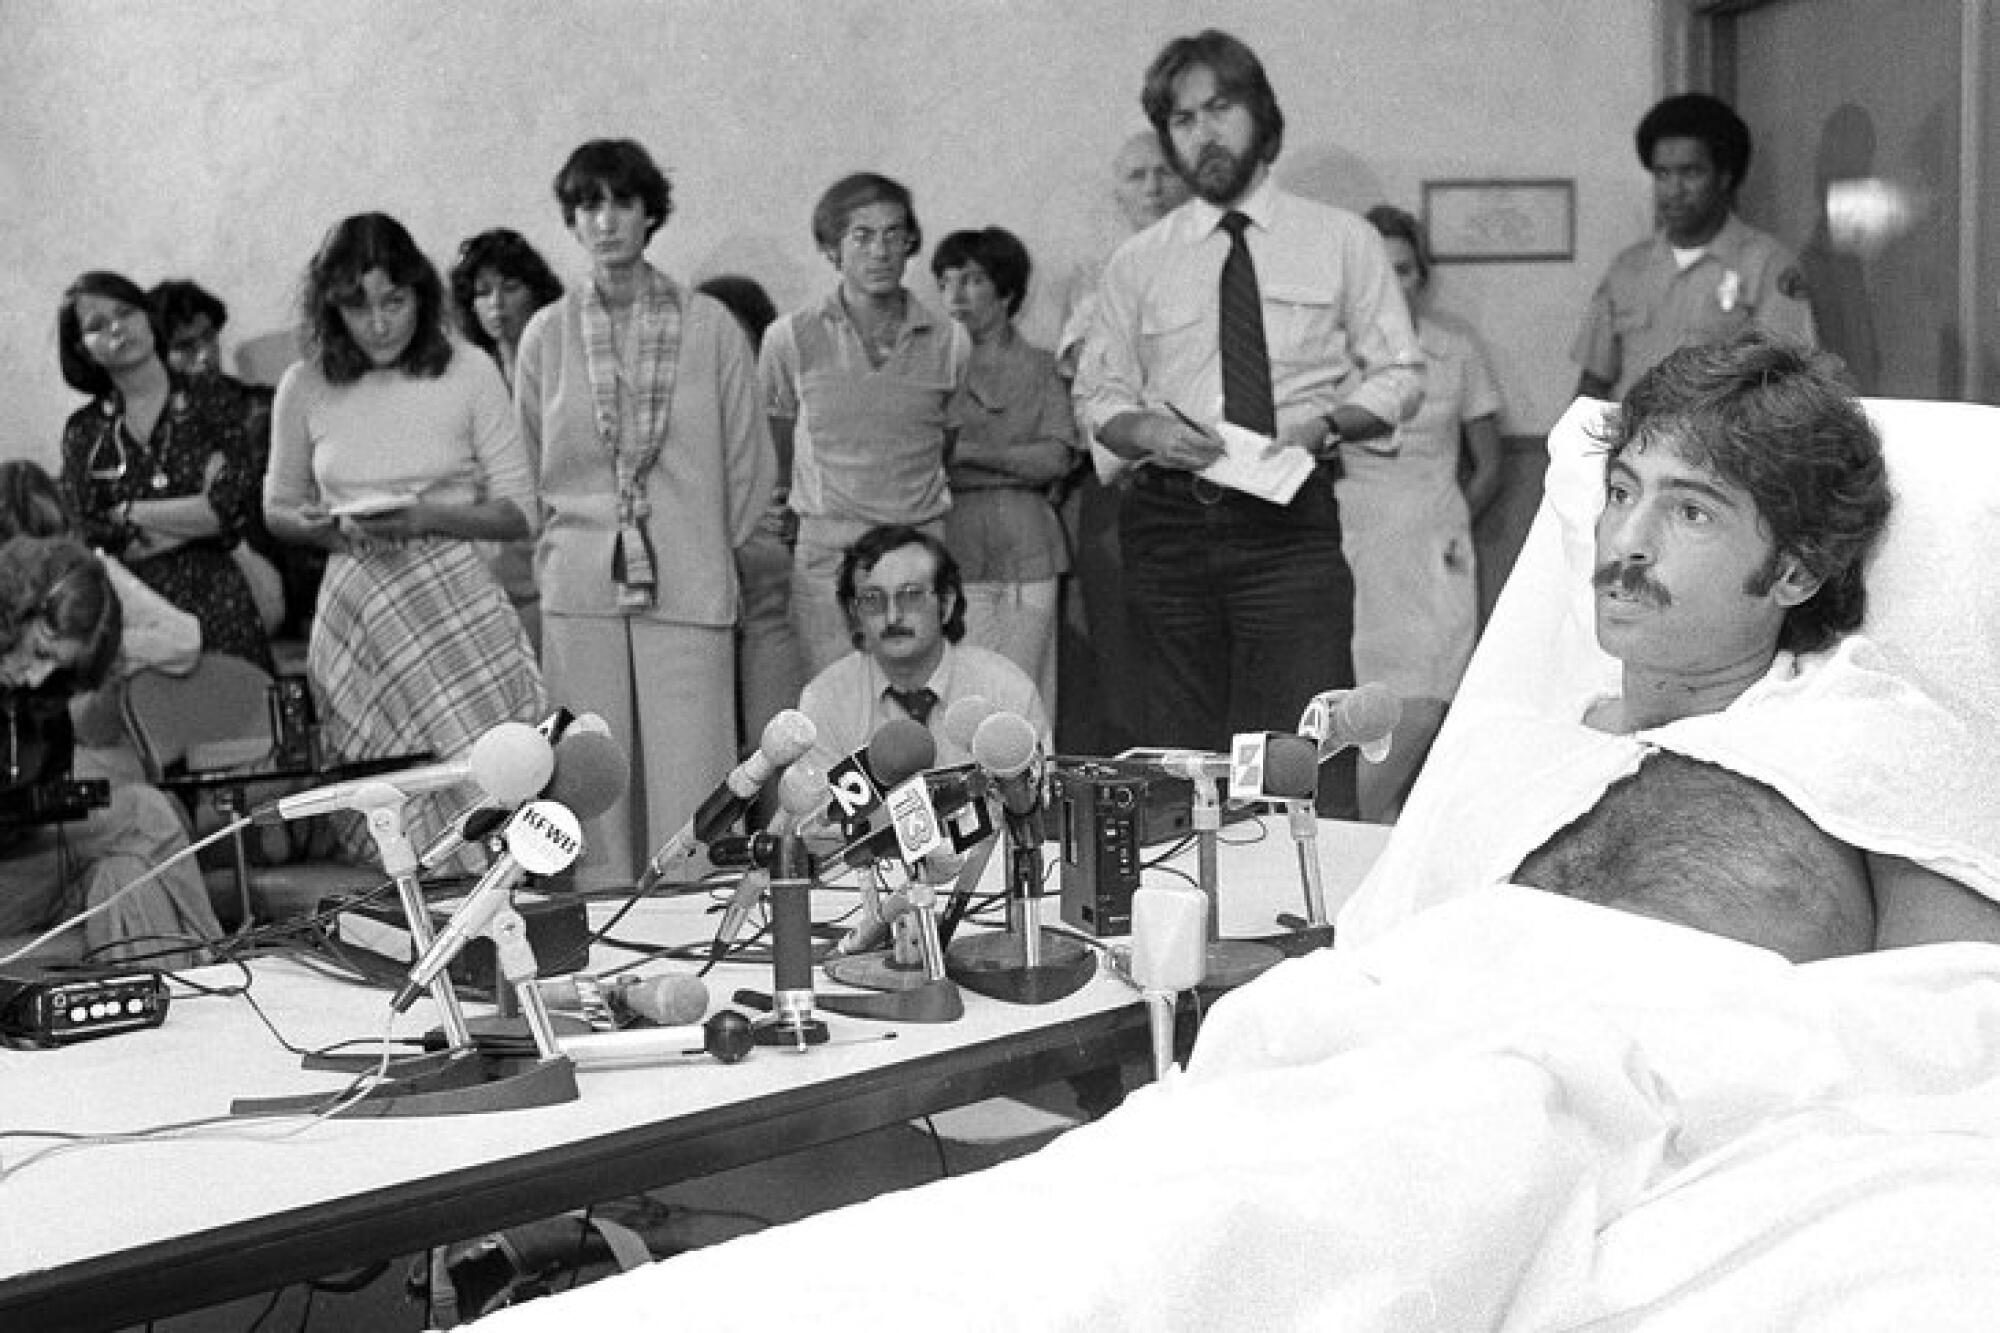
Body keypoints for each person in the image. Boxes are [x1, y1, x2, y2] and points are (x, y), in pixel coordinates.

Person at [1345, 331, 2000, 962]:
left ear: (1794, 571)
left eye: (1692, 511)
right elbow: (1373, 967)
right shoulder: (1511, 752)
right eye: (1622, 491)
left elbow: (1953, 1019)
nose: (1627, 538)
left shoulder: (1881, 747)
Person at [1074, 29, 1423, 815]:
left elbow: (1401, 374)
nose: (1203, 132)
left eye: (1220, 108)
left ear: (1261, 117)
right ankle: (1196, 922)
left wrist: (1324, 425)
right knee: (1179, 761)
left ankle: (1316, 922)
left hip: (1288, 526)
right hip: (1168, 526)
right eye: (1183, 118)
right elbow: (1098, 400)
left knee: (1307, 748)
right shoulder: (1139, 262)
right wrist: (1151, 434)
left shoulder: (1342, 240)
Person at [515, 141, 775, 889]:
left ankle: (690, 938)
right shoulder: (547, 333)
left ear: (649, 212)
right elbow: (531, 463)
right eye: (589, 205)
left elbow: (750, 465)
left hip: (687, 579)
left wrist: (690, 546)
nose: (606, 221)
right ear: (573, 218)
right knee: (589, 784)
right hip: (580, 589)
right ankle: (598, 937)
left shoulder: (713, 325)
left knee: (694, 783)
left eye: (622, 202)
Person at [265, 212, 545, 865]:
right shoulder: (304, 383)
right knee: (384, 797)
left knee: (490, 781)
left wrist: (422, 517)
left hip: (456, 599)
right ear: (331, 309)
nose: (381, 322)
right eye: (359, 307)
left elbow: (517, 512)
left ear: (421, 293)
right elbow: (277, 509)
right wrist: (313, 526)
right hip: (358, 600)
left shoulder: (469, 369)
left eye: (394, 300)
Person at [759, 172, 970, 676]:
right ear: (832, 247)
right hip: (828, 551)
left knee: (921, 702)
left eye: (895, 235)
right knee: (836, 706)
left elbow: (944, 444)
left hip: (920, 546)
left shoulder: (950, 340)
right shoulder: (791, 337)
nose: (881, 251)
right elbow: (778, 443)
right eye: (863, 235)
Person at [1337, 205, 1504, 822]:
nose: (1393, 282)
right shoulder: (1334, 359)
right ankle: (1362, 822)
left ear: (1421, 276)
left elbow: (1489, 462)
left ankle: (1383, 820)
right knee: (1365, 687)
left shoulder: (1455, 347)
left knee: (1434, 684)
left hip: (1437, 537)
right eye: (1379, 269)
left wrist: (1455, 524)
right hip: (1358, 536)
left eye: (1404, 269)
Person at [0, 535, 221, 967]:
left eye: (57, 666)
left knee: (129, 875)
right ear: (12, 614)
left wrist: (35, 807)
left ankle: (172, 1023)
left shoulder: (37, 695)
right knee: (144, 811)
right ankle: (219, 964)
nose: (37, 677)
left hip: (20, 861)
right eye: (41, 651)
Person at [1054, 130, 1192, 758]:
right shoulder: (1098, 272)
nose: (1154, 187)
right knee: (1123, 651)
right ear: (1118, 192)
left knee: (1194, 650)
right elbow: (1089, 368)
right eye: (1137, 176)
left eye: (1165, 172)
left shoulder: (1218, 258)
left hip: (1208, 486)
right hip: (1125, 487)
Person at [57, 271, 274, 671]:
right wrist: (196, 514)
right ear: (82, 349)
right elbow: (92, 537)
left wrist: (126, 510)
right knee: (154, 731)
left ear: (147, 316)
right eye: (97, 326)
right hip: (137, 620)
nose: (117, 329)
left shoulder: (214, 401)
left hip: (220, 600)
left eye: (125, 313)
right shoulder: (84, 432)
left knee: (244, 725)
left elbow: (227, 510)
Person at [1573, 92, 1816, 402]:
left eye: (1691, 173)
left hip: (1723, 445)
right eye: (1662, 174)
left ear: (1724, 177)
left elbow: (1789, 383)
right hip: (1632, 443)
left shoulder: (1767, 264)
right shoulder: (1627, 268)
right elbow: (1593, 382)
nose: (1674, 191)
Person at [931, 227, 1075, 712]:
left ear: (1007, 289)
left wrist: (967, 454)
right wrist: (1017, 460)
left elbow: (1056, 458)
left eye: (971, 280)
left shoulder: (1041, 366)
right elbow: (926, 457)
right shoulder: (931, 367)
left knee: (1024, 694)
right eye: (945, 281)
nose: (956, 295)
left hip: (1028, 544)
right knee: (963, 696)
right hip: (954, 543)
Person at [797, 525, 1046, 775]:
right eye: (873, 599)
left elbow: (1040, 802)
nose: (892, 617)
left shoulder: (1006, 691)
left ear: (946, 604)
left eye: (911, 596)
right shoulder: (825, 701)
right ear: (855, 613)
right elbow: (816, 812)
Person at [697, 274, 806, 758]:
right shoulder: (679, 415)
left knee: (775, 736)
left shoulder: (779, 411)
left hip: (768, 593)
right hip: (698, 596)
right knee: (703, 743)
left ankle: (778, 831)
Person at [148, 277, 292, 642]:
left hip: (275, 571)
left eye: (209, 338)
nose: (205, 356)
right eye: (185, 347)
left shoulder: (262, 408)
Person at [450, 229, 567, 653]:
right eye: (483, 292)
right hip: (487, 567)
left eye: (510, 288)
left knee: (558, 709)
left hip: (551, 562)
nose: (497, 304)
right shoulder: (466, 378)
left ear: (535, 292)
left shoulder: (562, 371)